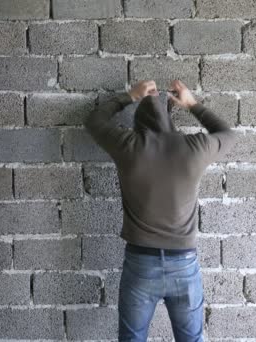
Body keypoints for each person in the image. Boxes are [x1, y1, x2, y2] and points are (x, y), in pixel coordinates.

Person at [84, 79, 237, 341]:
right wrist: (191, 104)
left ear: (139, 122)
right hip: (184, 265)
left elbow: (94, 121)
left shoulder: (128, 145)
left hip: (140, 265)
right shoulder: (193, 148)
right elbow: (228, 135)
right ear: (170, 120)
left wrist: (130, 96)